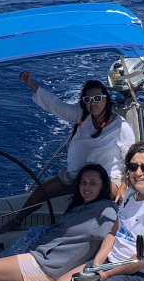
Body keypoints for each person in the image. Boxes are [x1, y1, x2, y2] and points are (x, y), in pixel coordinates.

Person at [56, 141, 144, 281]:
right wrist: (98, 264)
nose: (138, 173)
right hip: (114, 262)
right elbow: (114, 231)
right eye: (133, 167)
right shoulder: (131, 193)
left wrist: (105, 274)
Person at [11, 73, 135, 225]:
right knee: (42, 191)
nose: (93, 104)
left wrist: (125, 185)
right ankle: (15, 221)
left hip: (108, 179)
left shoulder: (121, 127)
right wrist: (31, 84)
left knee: (82, 204)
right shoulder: (80, 115)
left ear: (106, 98)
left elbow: (132, 160)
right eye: (88, 100)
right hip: (76, 176)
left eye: (97, 98)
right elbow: (54, 104)